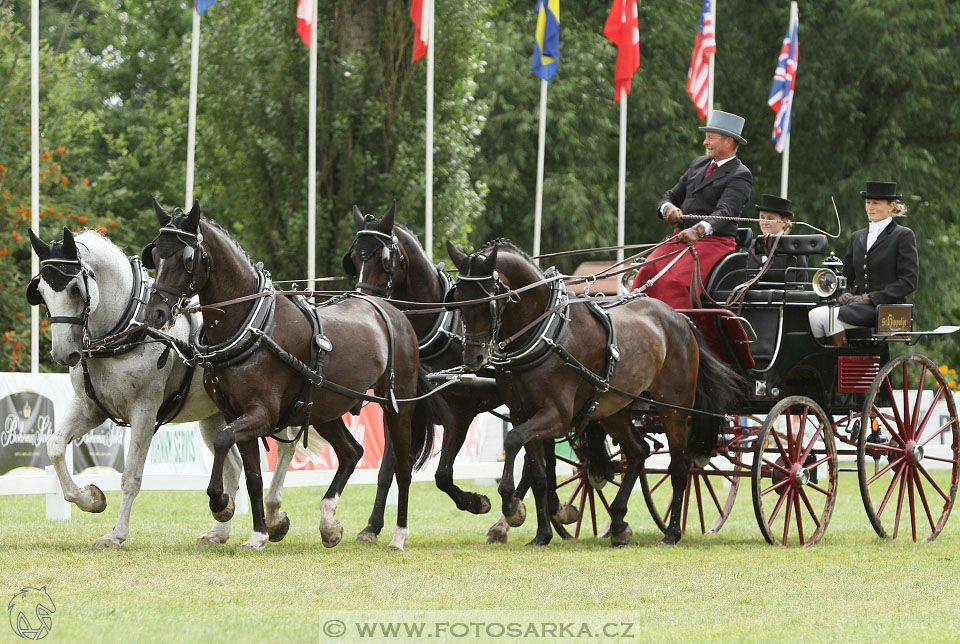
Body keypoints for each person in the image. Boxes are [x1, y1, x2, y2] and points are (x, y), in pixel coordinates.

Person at [631, 110, 754, 307]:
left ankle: (679, 333)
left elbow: (725, 212)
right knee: (646, 271)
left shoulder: (740, 175)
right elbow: (671, 195)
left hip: (714, 242)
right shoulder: (699, 163)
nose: (705, 142)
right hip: (681, 237)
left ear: (728, 141)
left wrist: (698, 230)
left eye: (710, 138)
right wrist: (668, 209)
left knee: (675, 282)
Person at [808, 181, 918, 346]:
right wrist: (844, 293)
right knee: (813, 315)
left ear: (891, 206)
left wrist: (871, 298)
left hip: (885, 308)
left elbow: (908, 282)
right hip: (856, 305)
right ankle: (829, 366)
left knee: (828, 318)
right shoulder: (857, 237)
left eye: (876, 203)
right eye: (868, 203)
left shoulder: (902, 235)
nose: (870, 207)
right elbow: (847, 276)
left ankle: (843, 364)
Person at [746, 194, 807, 280]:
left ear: (784, 222)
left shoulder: (795, 253)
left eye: (770, 218)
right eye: (762, 217)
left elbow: (800, 286)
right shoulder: (748, 248)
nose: (764, 222)